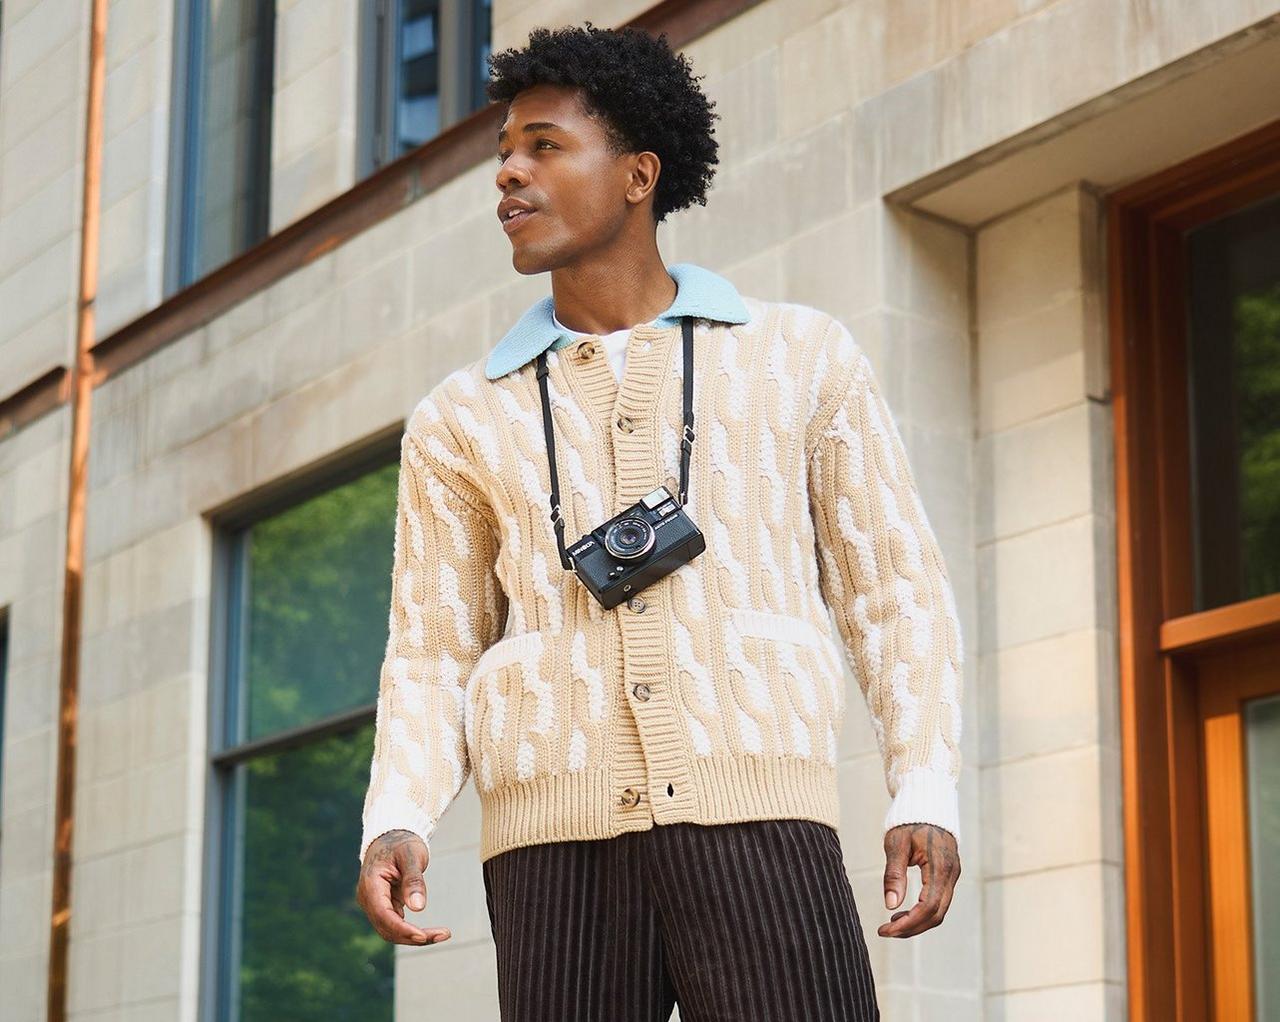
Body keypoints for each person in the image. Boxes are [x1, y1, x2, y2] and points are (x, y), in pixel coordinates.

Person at [355, 21, 963, 1022]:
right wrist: (399, 810)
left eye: (542, 145)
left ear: (638, 174)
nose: (507, 173)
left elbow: (893, 591)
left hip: (759, 818)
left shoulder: (800, 355)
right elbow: (429, 646)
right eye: (502, 151)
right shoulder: (457, 418)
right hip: (551, 849)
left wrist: (923, 787)